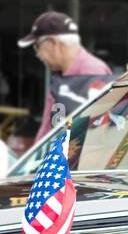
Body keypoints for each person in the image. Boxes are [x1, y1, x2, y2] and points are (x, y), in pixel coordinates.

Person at [18, 12, 110, 145]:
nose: (37, 54)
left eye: (37, 46)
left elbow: (94, 135)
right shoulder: (68, 74)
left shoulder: (91, 73)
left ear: (53, 43)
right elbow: (55, 126)